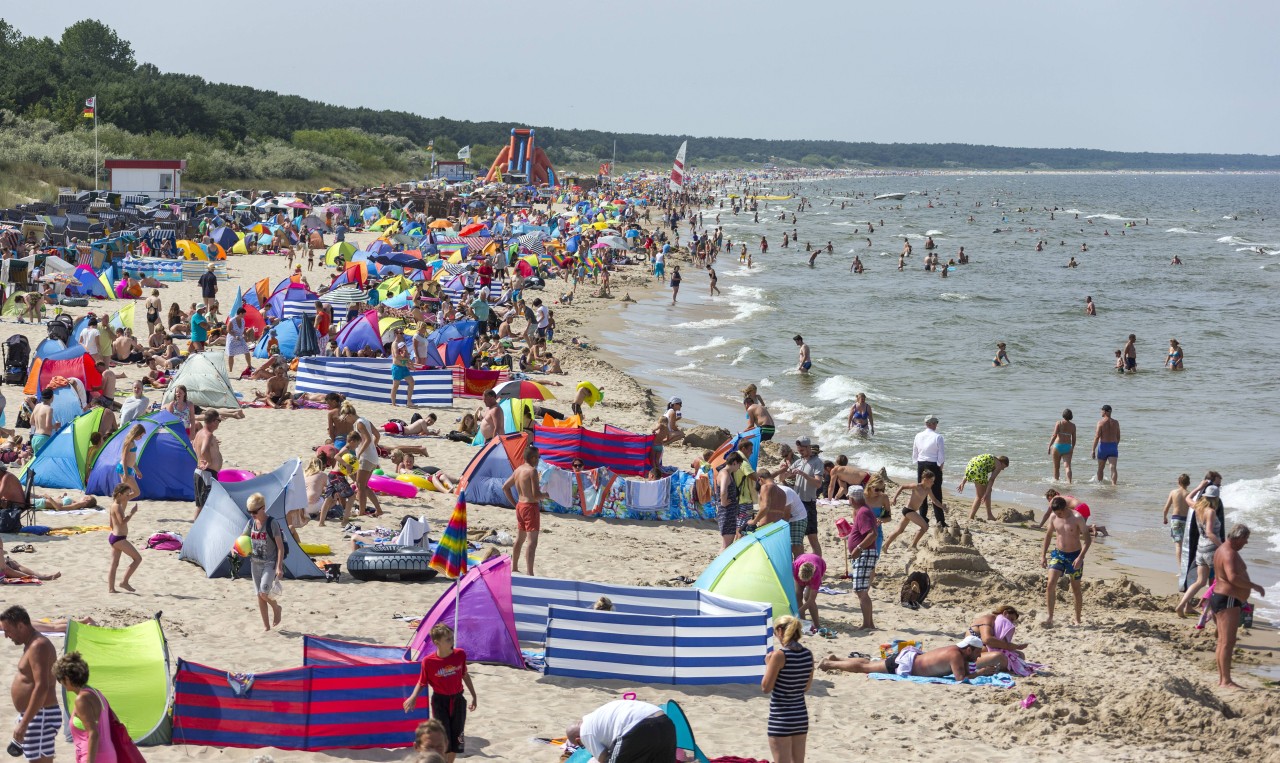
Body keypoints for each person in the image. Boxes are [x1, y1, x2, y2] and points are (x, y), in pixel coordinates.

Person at [402, 624, 477, 763]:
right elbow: (422, 682)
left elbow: (465, 675)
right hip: (440, 702)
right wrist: (413, 697)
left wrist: (474, 696)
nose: (452, 641)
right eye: (448, 639)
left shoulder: (460, 654)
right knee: (443, 737)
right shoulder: (428, 662)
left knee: (456, 738)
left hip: (458, 700)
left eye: (452, 638)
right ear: (437, 643)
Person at [0, 605, 59, 763]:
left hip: (40, 715)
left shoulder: (38, 646)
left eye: (8, 630)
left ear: (21, 625)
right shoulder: (31, 644)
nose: (6, 635)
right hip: (37, 714)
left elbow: (42, 686)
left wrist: (24, 723)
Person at [819, 634, 1002, 683]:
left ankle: (837, 658)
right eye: (978, 653)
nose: (979, 656)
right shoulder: (955, 656)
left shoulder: (957, 651)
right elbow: (960, 678)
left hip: (909, 657)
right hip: (904, 664)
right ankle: (829, 663)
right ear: (968, 649)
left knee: (869, 663)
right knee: (865, 667)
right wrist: (981, 673)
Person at [1212, 524, 1265, 689]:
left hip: (1222, 598)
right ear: (1237, 538)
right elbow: (1233, 577)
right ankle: (1226, 681)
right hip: (1227, 599)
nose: (1246, 543)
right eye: (1245, 539)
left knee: (1223, 641)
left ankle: (1223, 680)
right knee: (1227, 642)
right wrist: (1254, 585)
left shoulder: (1222, 549)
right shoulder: (1229, 553)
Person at [762, 615, 814, 763]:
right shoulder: (807, 654)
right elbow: (806, 687)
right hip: (800, 716)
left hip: (781, 718)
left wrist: (768, 664)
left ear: (780, 631)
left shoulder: (779, 655)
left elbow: (766, 687)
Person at [55, 651, 121, 763]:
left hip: (94, 757)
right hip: (109, 754)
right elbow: (115, 720)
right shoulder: (97, 693)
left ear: (66, 679)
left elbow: (94, 733)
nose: (60, 683)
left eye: (60, 679)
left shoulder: (81, 699)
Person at [567, 699, 676, 763]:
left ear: (578, 740)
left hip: (638, 727)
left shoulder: (585, 732)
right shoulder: (596, 716)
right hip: (665, 722)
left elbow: (604, 759)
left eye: (582, 746)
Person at [1041, 496, 1091, 626]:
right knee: (1050, 584)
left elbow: (1088, 540)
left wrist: (1080, 557)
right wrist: (1043, 556)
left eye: (1059, 513)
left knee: (1075, 588)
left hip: (1074, 556)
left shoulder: (1077, 517)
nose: (1058, 515)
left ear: (1065, 508)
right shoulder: (1053, 517)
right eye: (1056, 513)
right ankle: (1050, 617)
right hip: (1058, 554)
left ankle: (1077, 618)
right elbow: (1048, 536)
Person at [1175, 490, 1224, 617]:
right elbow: (1209, 533)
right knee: (1219, 581)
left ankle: (1181, 606)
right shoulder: (1211, 511)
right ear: (1215, 499)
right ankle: (1214, 611)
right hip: (1211, 550)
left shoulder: (1198, 507)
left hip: (1200, 549)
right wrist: (1223, 547)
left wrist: (1200, 486)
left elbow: (1188, 498)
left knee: (1200, 582)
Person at [501, 445, 547, 576]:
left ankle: (514, 567)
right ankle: (530, 573)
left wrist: (515, 504)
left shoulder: (518, 470)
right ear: (533, 458)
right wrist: (546, 495)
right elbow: (536, 495)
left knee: (519, 539)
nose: (539, 459)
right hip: (530, 507)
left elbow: (505, 487)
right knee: (532, 542)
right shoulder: (532, 471)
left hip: (520, 506)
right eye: (538, 457)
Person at [246, 492, 285, 631]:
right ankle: (266, 627)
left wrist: (279, 567)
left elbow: (280, 547)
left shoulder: (272, 523)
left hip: (269, 563)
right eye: (249, 512)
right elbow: (242, 538)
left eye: (255, 511)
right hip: (255, 563)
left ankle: (276, 607)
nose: (252, 514)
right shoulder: (251, 522)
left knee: (263, 593)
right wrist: (235, 548)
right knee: (259, 596)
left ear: (263, 508)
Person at [968, 605, 1043, 676]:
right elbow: (987, 640)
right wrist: (1008, 646)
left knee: (1020, 655)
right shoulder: (988, 619)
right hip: (970, 657)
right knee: (999, 656)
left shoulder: (997, 624)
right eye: (1011, 619)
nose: (1011, 622)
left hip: (982, 653)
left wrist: (1016, 647)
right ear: (1005, 613)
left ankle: (1005, 667)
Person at [884, 472, 942, 553]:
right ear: (925, 479)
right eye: (932, 480)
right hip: (908, 510)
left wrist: (943, 507)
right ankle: (913, 545)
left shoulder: (928, 490)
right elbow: (902, 487)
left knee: (899, 530)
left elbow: (934, 500)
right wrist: (894, 498)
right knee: (925, 526)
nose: (933, 482)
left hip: (911, 512)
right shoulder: (917, 486)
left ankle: (885, 545)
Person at [785, 437, 824, 557]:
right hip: (796, 503)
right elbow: (784, 476)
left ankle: (818, 566)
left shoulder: (817, 462)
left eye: (802, 450)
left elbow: (818, 483)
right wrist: (785, 472)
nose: (800, 452)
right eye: (798, 450)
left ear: (808, 447)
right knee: (797, 539)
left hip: (808, 503)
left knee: (812, 537)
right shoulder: (799, 461)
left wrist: (803, 474)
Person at [846, 494, 878, 630]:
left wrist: (858, 548)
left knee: (861, 591)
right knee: (862, 590)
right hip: (863, 553)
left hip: (864, 553)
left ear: (852, 499)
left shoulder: (863, 512)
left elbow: (872, 534)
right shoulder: (863, 511)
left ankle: (867, 624)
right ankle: (869, 624)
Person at [911, 415, 947, 526]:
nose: (936, 425)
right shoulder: (938, 437)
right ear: (930, 424)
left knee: (922, 490)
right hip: (933, 465)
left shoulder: (918, 435)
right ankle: (940, 521)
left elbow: (915, 451)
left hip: (921, 464)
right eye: (935, 422)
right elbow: (941, 455)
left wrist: (917, 462)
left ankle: (922, 517)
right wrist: (940, 465)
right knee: (936, 493)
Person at [107, 483, 141, 594]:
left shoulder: (114, 504)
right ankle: (124, 582)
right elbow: (122, 522)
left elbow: (111, 523)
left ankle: (111, 589)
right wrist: (132, 513)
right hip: (119, 539)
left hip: (114, 537)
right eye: (126, 494)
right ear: (120, 494)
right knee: (137, 559)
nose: (128, 496)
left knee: (114, 564)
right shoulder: (117, 506)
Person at [958, 454, 1010, 521]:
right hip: (979, 471)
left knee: (988, 491)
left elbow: (976, 464)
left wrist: (963, 482)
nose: (1002, 469)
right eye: (1004, 467)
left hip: (970, 464)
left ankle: (989, 515)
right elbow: (991, 480)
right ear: (1002, 462)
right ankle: (971, 517)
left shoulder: (992, 458)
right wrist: (985, 494)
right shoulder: (999, 465)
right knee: (979, 497)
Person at [192, 410, 223, 519]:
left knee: (201, 506)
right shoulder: (208, 435)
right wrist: (209, 461)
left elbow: (194, 446)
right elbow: (204, 450)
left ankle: (195, 529)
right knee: (207, 505)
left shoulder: (199, 433)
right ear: (214, 421)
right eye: (218, 420)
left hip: (200, 472)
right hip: (207, 473)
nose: (219, 423)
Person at [1162, 473, 1192, 566]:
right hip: (1186, 521)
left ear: (1178, 482)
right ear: (1189, 483)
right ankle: (1187, 565)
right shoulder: (1189, 494)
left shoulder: (1173, 492)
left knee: (1178, 545)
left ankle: (1180, 568)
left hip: (1176, 520)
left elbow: (1166, 507)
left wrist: (1165, 517)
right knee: (1187, 545)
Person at [716, 451, 743, 549]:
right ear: (735, 462)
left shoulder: (725, 473)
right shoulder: (725, 474)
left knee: (727, 544)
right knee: (727, 546)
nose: (739, 467)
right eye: (739, 465)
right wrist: (723, 502)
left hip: (728, 513)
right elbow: (723, 490)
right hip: (726, 513)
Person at [792, 554, 826, 632]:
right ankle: (802, 621)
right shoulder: (795, 567)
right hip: (801, 560)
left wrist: (798, 612)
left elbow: (811, 599)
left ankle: (817, 625)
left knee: (807, 597)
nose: (804, 583)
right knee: (798, 595)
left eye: (806, 581)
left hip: (819, 563)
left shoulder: (816, 574)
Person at [1092, 405, 1120, 485]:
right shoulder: (1116, 422)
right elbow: (1118, 437)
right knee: (1113, 468)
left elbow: (1097, 437)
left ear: (1105, 411)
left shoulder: (1100, 422)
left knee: (1100, 468)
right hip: (1113, 446)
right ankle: (1114, 485)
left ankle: (1100, 485)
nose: (1101, 412)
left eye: (1102, 410)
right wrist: (1115, 446)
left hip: (1103, 447)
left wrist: (1093, 450)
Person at [390, 328, 416, 408]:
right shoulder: (395, 343)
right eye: (400, 333)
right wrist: (408, 360)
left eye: (402, 333)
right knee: (395, 385)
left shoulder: (403, 343)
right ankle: (393, 403)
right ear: (396, 334)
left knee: (411, 382)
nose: (401, 335)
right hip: (397, 367)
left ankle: (409, 401)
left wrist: (409, 363)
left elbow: (406, 354)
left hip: (403, 366)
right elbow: (396, 356)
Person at [1048, 409, 1076, 483]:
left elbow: (1054, 435)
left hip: (1058, 446)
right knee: (1067, 467)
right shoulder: (1073, 426)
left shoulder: (1059, 423)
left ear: (1063, 415)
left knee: (1056, 467)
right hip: (1067, 447)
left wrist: (1049, 446)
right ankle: (1069, 482)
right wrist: (1072, 448)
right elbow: (1074, 439)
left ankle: (1056, 483)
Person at [226, 306, 253, 375]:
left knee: (246, 351)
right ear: (240, 313)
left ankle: (249, 366)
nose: (245, 315)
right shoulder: (232, 320)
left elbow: (243, 329)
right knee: (231, 355)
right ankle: (230, 370)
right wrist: (235, 336)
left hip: (240, 338)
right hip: (232, 339)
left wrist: (246, 335)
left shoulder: (242, 320)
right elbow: (228, 330)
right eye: (244, 314)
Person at [28, 389, 54, 455]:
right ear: (52, 397)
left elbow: (31, 422)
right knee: (44, 460)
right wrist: (56, 426)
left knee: (36, 461)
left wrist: (39, 425)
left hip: (35, 437)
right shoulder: (49, 409)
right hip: (43, 438)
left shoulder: (37, 406)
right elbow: (48, 426)